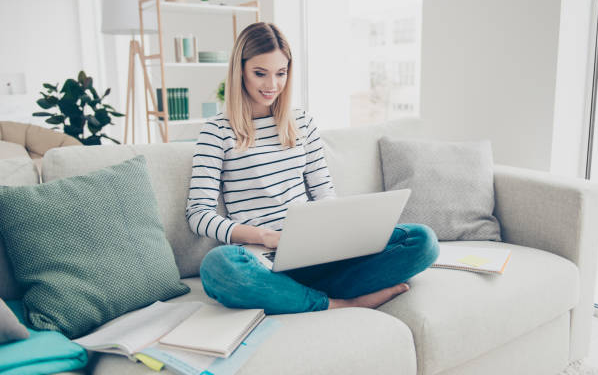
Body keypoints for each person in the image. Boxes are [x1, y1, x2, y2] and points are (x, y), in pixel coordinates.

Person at [187, 22, 439, 314]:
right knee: (218, 267)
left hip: (317, 253)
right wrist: (264, 236)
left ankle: (294, 297)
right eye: (260, 73)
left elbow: (323, 192)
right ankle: (335, 302)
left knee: (422, 241)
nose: (272, 85)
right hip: (264, 260)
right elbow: (198, 214)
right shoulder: (217, 130)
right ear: (239, 70)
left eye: (281, 74)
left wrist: (336, 235)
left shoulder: (302, 122)